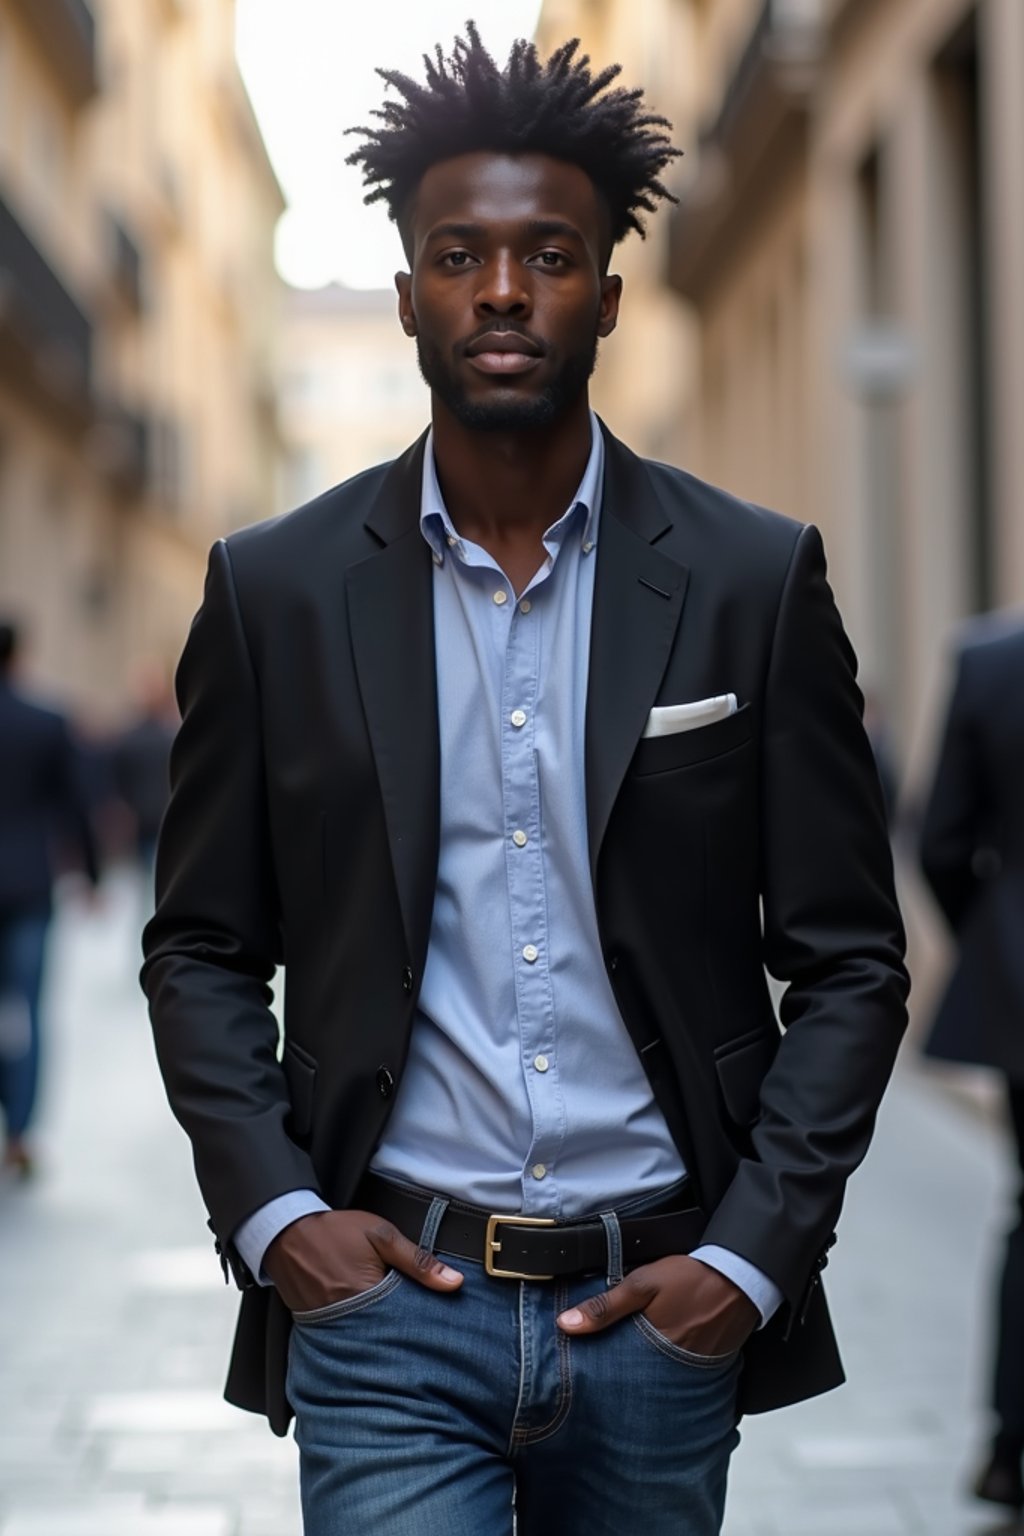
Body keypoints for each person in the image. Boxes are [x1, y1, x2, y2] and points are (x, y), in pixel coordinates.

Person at [142, 28, 909, 1535]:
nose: (503, 289)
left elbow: (850, 961)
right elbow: (202, 947)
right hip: (386, 1315)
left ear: (608, 295)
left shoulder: (751, 579)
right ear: (408, 291)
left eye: (548, 254)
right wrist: (283, 1219)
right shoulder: (276, 591)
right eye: (460, 254)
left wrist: (748, 1261)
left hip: (659, 1309)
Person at [919, 616, 1024, 1514]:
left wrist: (996, 948)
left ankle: (1008, 1444)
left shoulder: (993, 664)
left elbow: (942, 841)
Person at [0, 620, 99, 1175]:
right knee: (27, 1010)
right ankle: (19, 1133)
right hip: (29, 886)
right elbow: (78, 805)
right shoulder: (46, 722)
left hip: (25, 888)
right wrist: (90, 875)